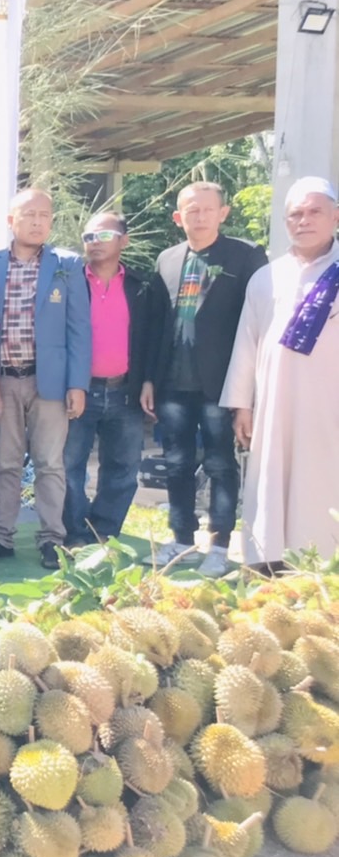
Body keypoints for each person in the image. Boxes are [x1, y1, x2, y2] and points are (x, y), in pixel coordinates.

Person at [221, 176, 339, 567]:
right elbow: (247, 342)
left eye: (314, 212)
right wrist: (241, 404)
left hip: (330, 407)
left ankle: (324, 561)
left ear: (335, 217)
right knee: (271, 476)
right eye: (295, 214)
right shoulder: (266, 277)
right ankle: (268, 558)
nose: (304, 221)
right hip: (273, 407)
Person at [152, 182, 268, 575]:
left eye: (206, 209)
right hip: (173, 382)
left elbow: (257, 322)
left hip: (221, 382)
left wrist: (249, 389)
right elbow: (157, 324)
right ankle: (182, 540)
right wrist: (150, 380)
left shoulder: (246, 255)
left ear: (223, 213)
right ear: (177, 217)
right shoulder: (167, 259)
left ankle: (219, 546)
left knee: (220, 464)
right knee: (176, 464)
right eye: (191, 210)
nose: (199, 217)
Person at [0, 188, 91, 571]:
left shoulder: (67, 264)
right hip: (4, 380)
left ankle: (52, 539)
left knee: (50, 463)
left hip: (50, 382)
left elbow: (79, 328)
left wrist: (77, 384)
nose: (38, 222)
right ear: (12, 221)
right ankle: (0, 537)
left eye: (45, 215)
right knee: (5, 462)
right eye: (30, 215)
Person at [63, 212, 170, 545]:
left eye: (105, 235)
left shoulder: (144, 286)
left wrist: (149, 380)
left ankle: (104, 532)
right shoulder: (70, 282)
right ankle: (75, 532)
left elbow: (156, 337)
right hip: (79, 391)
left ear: (124, 240)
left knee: (123, 468)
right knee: (69, 466)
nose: (95, 242)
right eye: (89, 237)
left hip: (125, 390)